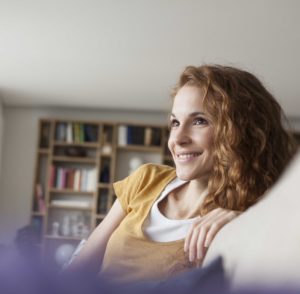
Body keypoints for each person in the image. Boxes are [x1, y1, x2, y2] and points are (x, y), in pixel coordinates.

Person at [67, 65, 297, 282]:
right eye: (175, 122)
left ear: (241, 132)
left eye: (199, 121)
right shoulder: (146, 179)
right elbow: (79, 271)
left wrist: (247, 221)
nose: (177, 139)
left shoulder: (245, 215)